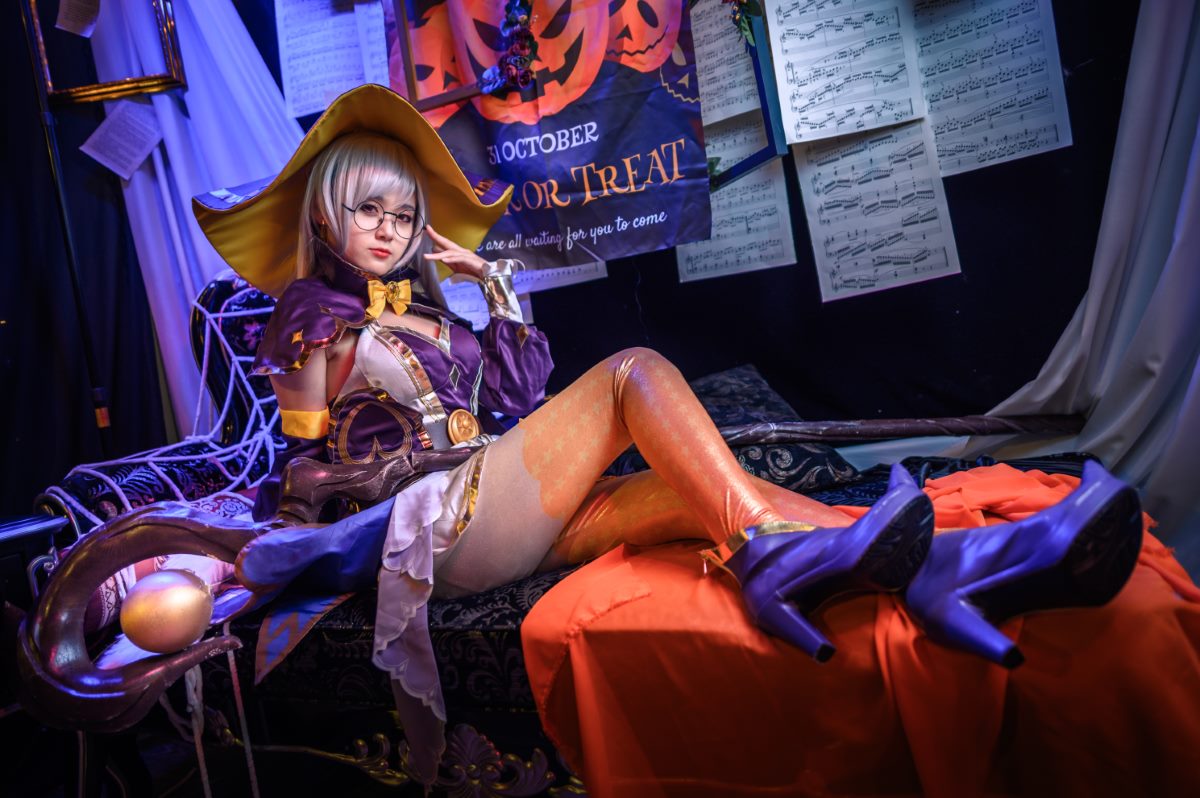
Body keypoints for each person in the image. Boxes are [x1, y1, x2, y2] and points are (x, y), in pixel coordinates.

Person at [19, 85, 1145, 786]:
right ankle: (783, 560)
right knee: (635, 373)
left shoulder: (439, 313)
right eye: (370, 209)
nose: (393, 230)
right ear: (327, 214)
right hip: (433, 528)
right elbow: (304, 464)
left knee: (710, 498)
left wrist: (493, 287)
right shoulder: (310, 320)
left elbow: (513, 398)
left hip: (500, 504)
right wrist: (314, 487)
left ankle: (958, 568)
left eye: (404, 213)